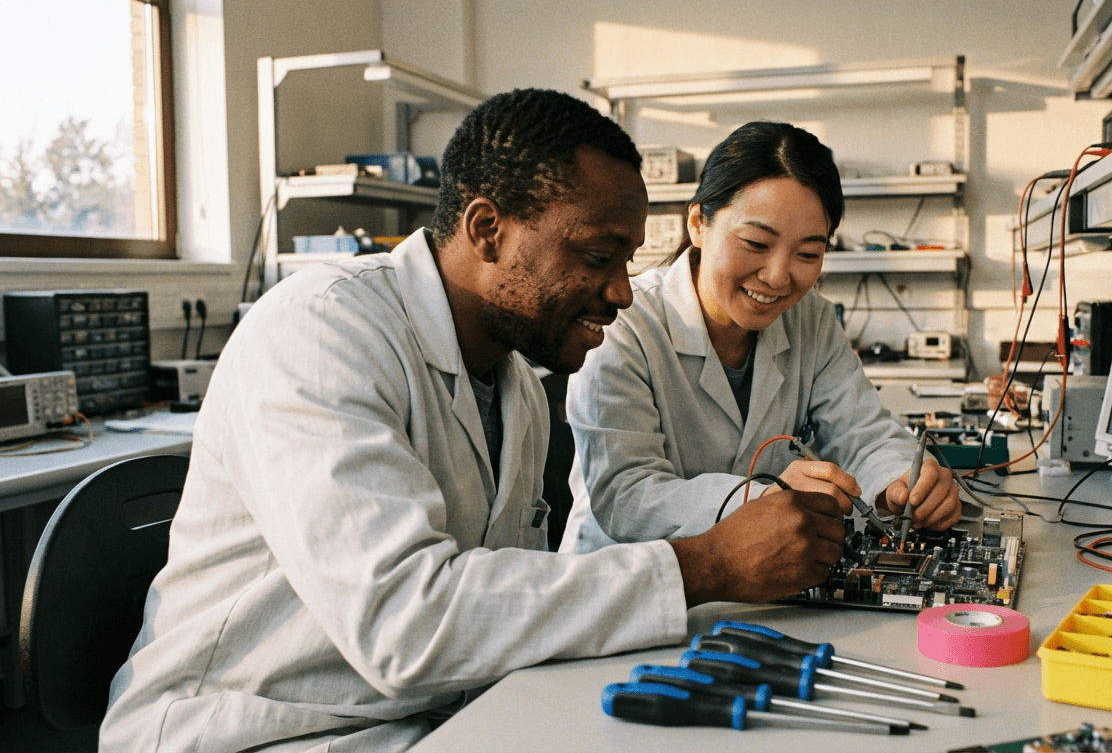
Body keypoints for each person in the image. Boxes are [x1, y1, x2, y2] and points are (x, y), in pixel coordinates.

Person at [100, 91, 850, 752]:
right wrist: (704, 565)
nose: (623, 293)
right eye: (597, 255)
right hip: (259, 728)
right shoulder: (321, 331)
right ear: (488, 228)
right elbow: (406, 622)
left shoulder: (514, 380)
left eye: (627, 260)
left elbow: (499, 601)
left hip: (429, 715)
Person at [561, 121, 961, 554]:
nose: (777, 277)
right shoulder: (627, 322)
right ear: (698, 223)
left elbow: (862, 433)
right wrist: (762, 496)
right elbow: (626, 496)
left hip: (759, 581)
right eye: (755, 243)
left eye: (808, 254)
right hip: (629, 585)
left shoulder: (811, 321)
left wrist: (901, 481)